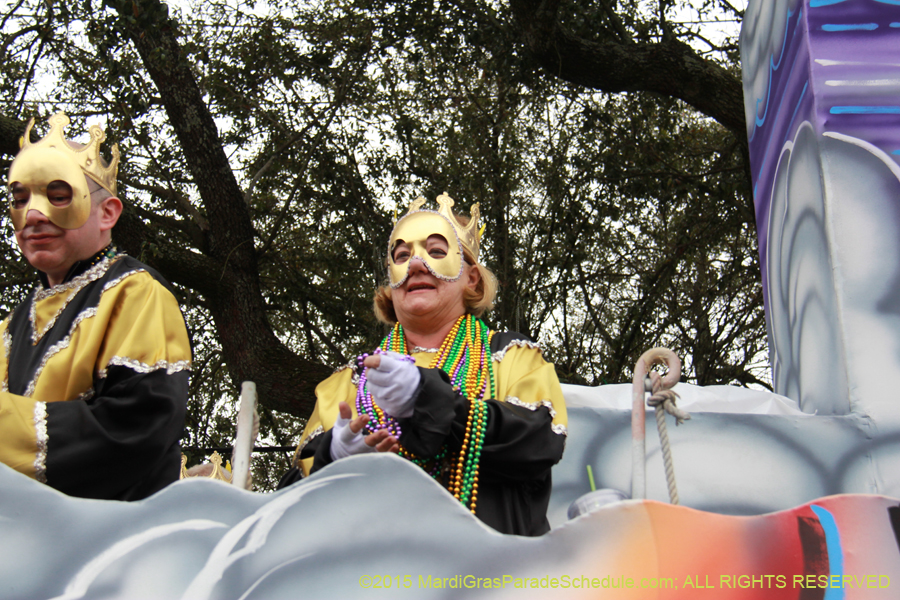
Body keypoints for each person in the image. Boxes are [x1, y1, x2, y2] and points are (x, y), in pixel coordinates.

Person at [279, 193, 567, 536]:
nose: (416, 264)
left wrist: (431, 400)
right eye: (402, 256)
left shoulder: (510, 356)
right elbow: (287, 510)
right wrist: (333, 459)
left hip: (488, 565)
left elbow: (540, 440)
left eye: (436, 251)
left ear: (471, 277)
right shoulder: (344, 385)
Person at [0, 112, 191, 500]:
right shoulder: (10, 326)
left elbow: (136, 427)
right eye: (20, 199)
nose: (33, 215)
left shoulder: (136, 294)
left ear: (107, 213)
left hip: (114, 530)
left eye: (58, 196)